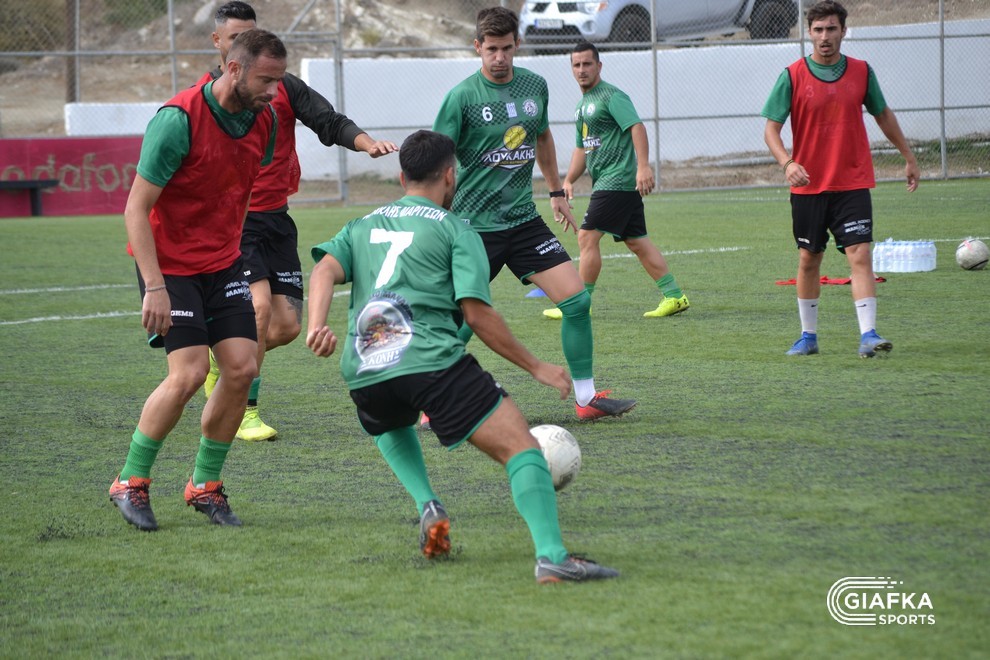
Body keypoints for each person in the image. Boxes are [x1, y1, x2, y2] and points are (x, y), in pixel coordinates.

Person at [306, 129, 619, 583]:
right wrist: (537, 366)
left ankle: (427, 504)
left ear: (402, 177)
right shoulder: (456, 230)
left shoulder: (361, 225)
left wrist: (316, 325)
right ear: (450, 177)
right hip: (430, 360)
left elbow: (322, 270)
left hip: (364, 367)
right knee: (522, 449)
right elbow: (477, 316)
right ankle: (552, 557)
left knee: (390, 421)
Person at [109, 29, 287, 531]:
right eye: (266, 80)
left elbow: (240, 191)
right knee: (187, 374)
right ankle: (130, 481)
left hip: (223, 262)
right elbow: (136, 208)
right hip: (170, 266)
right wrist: (155, 286)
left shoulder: (264, 120)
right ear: (233, 69)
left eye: (278, 80)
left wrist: (235, 249)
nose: (274, 92)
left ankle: (205, 486)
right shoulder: (178, 120)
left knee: (242, 369)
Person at [199, 1, 399, 442]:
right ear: (218, 42)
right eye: (235, 37)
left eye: (251, 34)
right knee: (258, 308)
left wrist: (366, 143)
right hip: (236, 222)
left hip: (276, 218)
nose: (245, 43)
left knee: (286, 327)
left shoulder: (282, 87)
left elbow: (328, 120)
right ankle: (244, 410)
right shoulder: (207, 97)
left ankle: (221, 360)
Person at [432, 6, 635, 421]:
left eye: (506, 48)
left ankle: (585, 399)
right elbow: (437, 160)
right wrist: (436, 215)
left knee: (576, 301)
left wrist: (556, 190)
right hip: (474, 227)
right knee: (462, 317)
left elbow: (541, 136)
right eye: (491, 49)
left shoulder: (533, 86)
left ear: (517, 45)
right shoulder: (461, 97)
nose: (499, 58)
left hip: (524, 221)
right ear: (477, 47)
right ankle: (432, 402)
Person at [762, 0, 919, 358]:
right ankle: (808, 336)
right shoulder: (792, 75)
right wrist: (787, 163)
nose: (825, 36)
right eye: (818, 30)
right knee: (809, 258)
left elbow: (883, 115)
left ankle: (869, 335)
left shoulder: (862, 71)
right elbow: (771, 130)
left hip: (852, 182)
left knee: (860, 254)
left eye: (831, 29)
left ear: (844, 31)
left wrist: (909, 156)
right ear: (809, 33)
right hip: (808, 186)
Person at [541, 41, 690, 321]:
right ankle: (674, 296)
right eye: (577, 65)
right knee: (637, 242)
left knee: (587, 236)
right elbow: (582, 149)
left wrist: (643, 167)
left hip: (616, 179)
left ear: (599, 66)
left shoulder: (611, 96)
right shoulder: (582, 106)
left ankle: (579, 304)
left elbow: (636, 126)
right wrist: (568, 180)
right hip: (613, 184)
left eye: (587, 64)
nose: (582, 70)